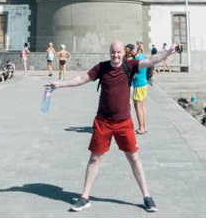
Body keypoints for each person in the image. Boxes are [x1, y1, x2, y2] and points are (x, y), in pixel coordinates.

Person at [47, 41, 180, 213]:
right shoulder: (102, 68)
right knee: (95, 158)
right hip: (103, 121)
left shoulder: (130, 65)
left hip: (124, 122)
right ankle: (84, 197)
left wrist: (168, 52)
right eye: (113, 52)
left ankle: (147, 196)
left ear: (123, 53)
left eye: (118, 52)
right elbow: (81, 79)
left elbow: (151, 61)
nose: (115, 55)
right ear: (109, 52)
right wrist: (59, 84)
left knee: (133, 157)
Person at [128, 44, 150, 134]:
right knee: (143, 106)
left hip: (138, 85)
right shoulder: (142, 56)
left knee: (137, 107)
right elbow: (142, 53)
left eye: (128, 52)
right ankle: (144, 126)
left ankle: (141, 128)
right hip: (145, 83)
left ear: (131, 51)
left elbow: (134, 75)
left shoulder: (136, 61)